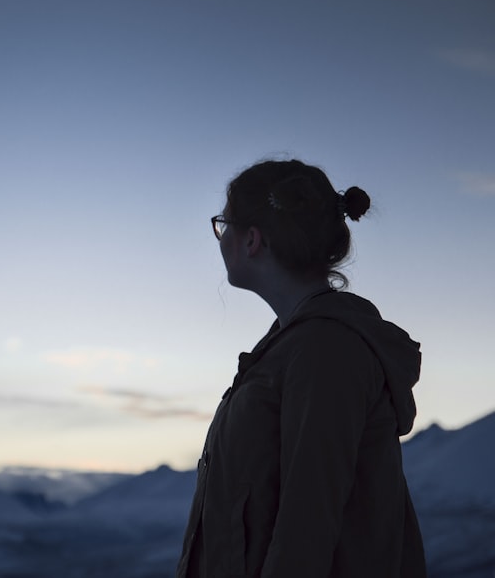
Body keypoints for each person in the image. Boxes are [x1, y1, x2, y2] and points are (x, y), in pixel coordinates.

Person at [175, 159, 426, 578]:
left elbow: (306, 529)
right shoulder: (293, 344)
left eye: (223, 225)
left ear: (252, 239)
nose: (220, 239)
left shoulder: (326, 351)